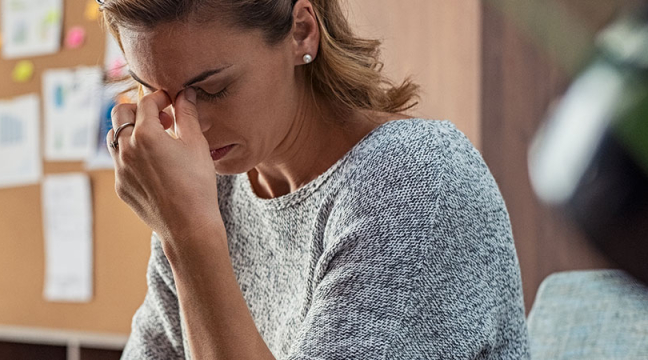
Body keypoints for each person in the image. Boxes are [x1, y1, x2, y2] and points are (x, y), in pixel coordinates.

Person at [99, 0, 528, 358]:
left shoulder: (416, 181)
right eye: (156, 94)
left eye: (212, 90)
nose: (187, 127)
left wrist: (189, 235)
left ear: (301, 32)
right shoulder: (214, 193)